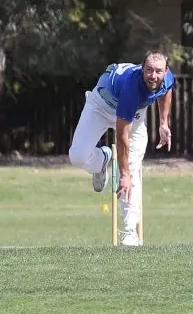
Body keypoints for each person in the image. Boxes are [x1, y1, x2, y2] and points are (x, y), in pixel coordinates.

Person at [68, 51, 176, 246]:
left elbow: (166, 90)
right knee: (77, 156)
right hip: (100, 106)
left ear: (166, 71)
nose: (153, 76)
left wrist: (163, 122)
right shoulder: (131, 87)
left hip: (134, 115)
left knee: (132, 171)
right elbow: (121, 135)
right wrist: (122, 173)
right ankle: (101, 160)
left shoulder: (166, 78)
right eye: (149, 70)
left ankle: (129, 232)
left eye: (158, 71)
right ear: (142, 69)